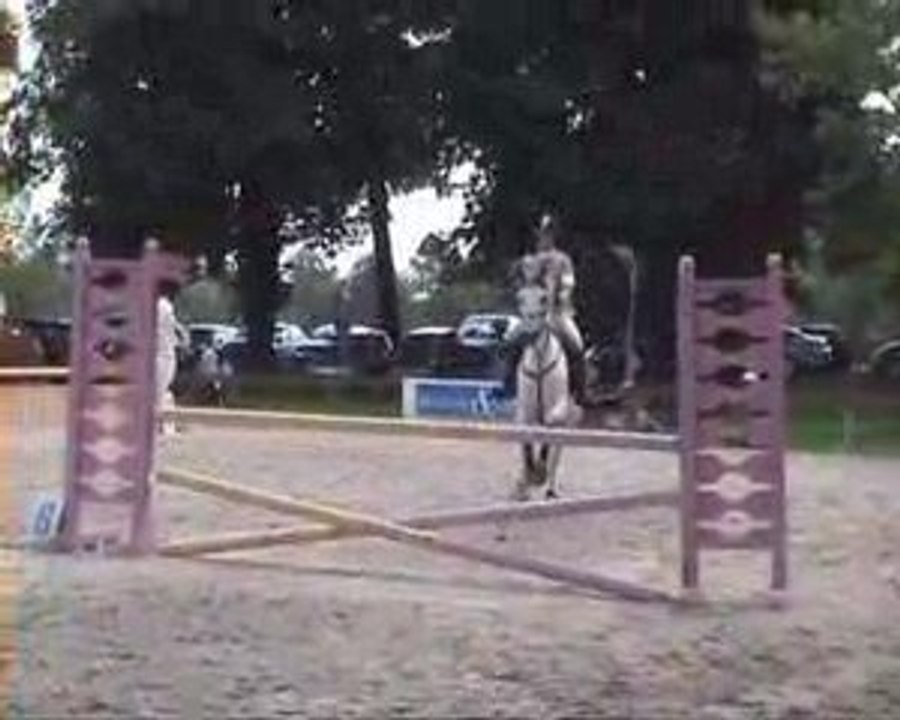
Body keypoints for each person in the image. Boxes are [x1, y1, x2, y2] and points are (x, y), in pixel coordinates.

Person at [499, 214, 588, 405]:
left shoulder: (563, 259)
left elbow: (568, 282)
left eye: (546, 234)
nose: (543, 238)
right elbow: (519, 283)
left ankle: (580, 391)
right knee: (510, 342)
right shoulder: (530, 261)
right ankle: (508, 386)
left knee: (577, 347)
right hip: (534, 315)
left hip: (559, 313)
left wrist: (563, 294)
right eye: (540, 235)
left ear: (553, 236)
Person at [156, 281, 185, 435]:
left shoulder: (161, 305)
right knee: (162, 391)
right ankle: (166, 426)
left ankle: (167, 426)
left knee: (162, 392)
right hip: (163, 354)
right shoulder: (163, 306)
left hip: (162, 354)